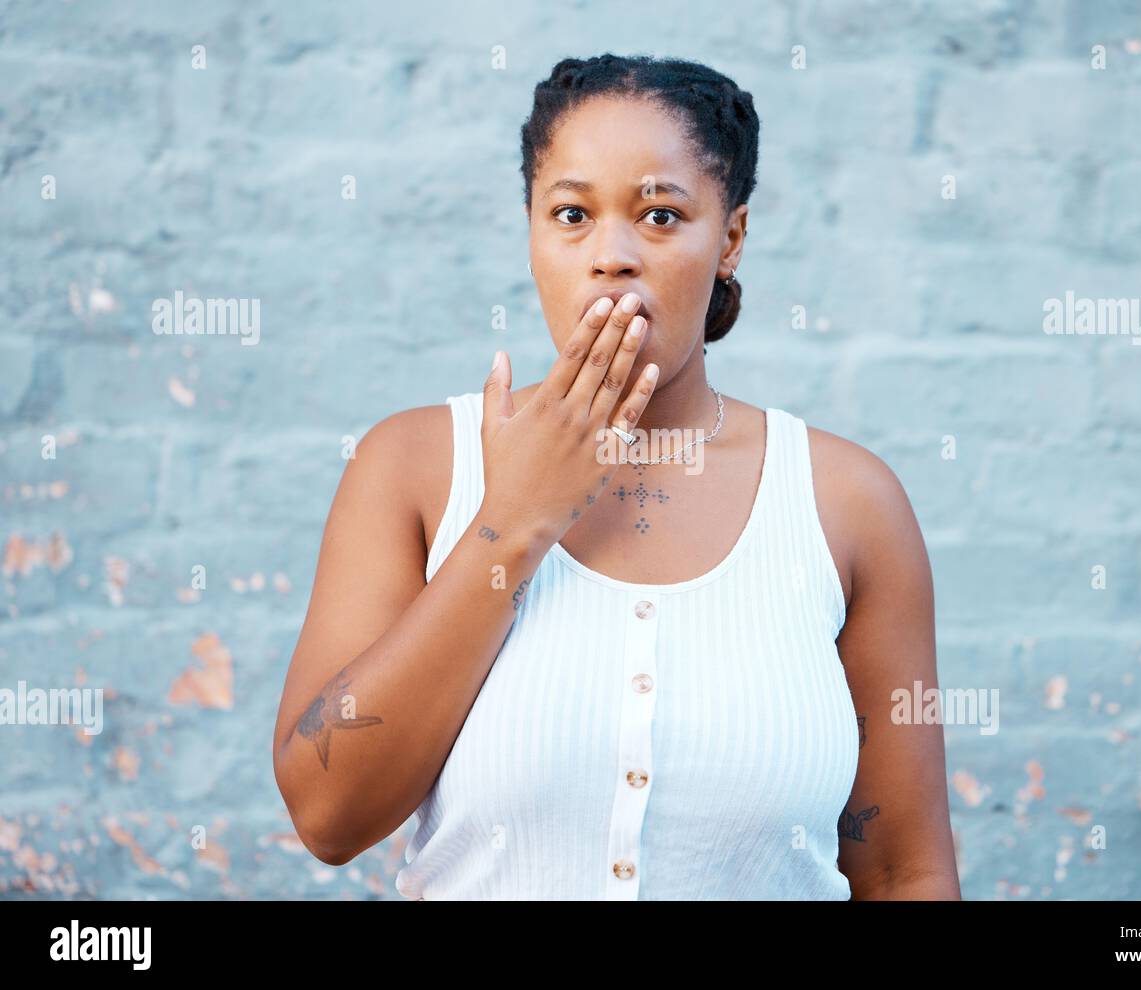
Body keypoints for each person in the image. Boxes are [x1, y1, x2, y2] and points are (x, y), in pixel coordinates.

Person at [272, 53, 959, 900]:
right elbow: (327, 814)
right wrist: (517, 519)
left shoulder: (848, 505)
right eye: (571, 213)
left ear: (731, 237)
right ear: (530, 228)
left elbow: (903, 871)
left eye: (662, 217)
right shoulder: (412, 468)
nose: (613, 255)